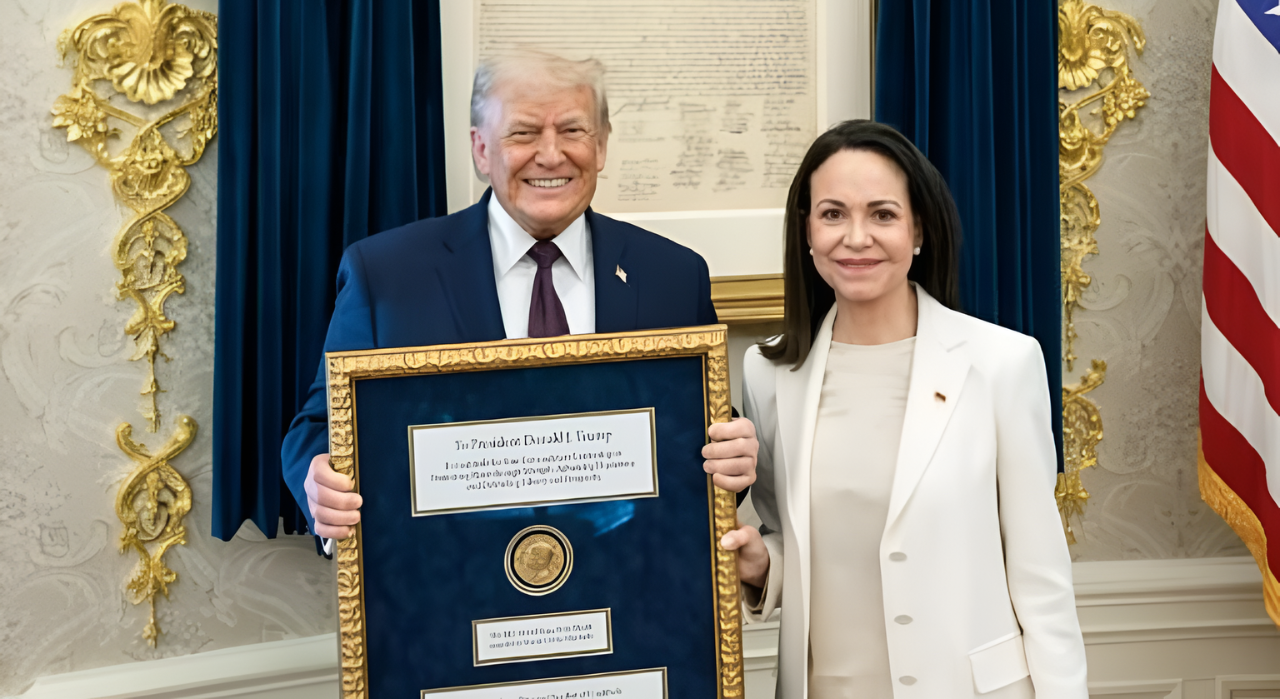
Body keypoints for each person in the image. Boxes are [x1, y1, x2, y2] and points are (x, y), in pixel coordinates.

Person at [281, 50, 758, 545]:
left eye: (573, 130)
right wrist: (321, 482)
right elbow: (318, 427)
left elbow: (702, 434)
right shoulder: (386, 275)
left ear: (602, 146)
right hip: (448, 591)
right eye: (524, 132)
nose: (551, 155)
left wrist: (733, 454)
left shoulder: (674, 276)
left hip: (629, 588)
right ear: (481, 149)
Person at [719, 120, 1087, 698]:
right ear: (807, 233)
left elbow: (1041, 575)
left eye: (883, 214)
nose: (856, 237)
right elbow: (790, 535)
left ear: (918, 231)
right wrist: (764, 565)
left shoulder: (1001, 363)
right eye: (833, 214)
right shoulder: (768, 373)